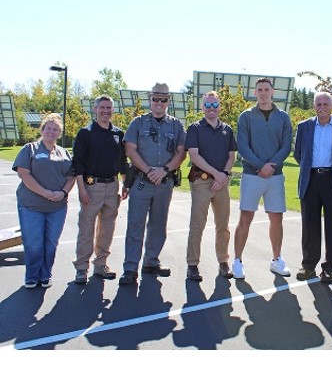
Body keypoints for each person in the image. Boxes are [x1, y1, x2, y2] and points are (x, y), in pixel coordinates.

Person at [120, 83, 187, 286]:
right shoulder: (137, 123)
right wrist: (149, 170)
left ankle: (151, 262)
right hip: (142, 181)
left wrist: (164, 170)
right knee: (135, 225)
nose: (159, 103)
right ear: (150, 100)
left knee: (158, 225)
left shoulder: (176, 125)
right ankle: (130, 268)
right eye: (155, 99)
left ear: (168, 101)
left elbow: (181, 152)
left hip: (164, 183)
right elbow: (130, 149)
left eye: (163, 100)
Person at [232, 77, 293, 280]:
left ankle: (277, 260)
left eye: (267, 89)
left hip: (275, 176)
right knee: (245, 218)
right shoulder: (246, 116)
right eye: (260, 89)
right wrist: (261, 166)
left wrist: (270, 166)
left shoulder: (283, 117)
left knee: (276, 218)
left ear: (272, 92)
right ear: (255, 92)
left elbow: (286, 146)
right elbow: (243, 146)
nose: (264, 92)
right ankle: (238, 261)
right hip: (252, 174)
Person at [293, 91, 332, 283]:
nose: (322, 107)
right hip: (310, 180)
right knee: (310, 226)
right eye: (318, 104)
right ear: (314, 106)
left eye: (325, 104)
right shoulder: (304, 127)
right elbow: (298, 154)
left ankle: (329, 268)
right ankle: (308, 266)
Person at [12, 113, 75, 289]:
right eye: (48, 128)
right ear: (42, 129)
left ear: (59, 133)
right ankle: (32, 276)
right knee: (33, 243)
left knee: (51, 243)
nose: (51, 132)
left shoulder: (64, 153)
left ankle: (46, 275)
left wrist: (63, 192)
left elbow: (71, 177)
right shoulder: (29, 149)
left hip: (57, 207)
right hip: (31, 205)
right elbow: (23, 174)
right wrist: (45, 193)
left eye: (55, 129)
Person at [72, 95, 127, 284]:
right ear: (95, 109)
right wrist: (82, 189)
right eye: (102, 107)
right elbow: (77, 163)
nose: (105, 111)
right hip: (91, 186)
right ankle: (81, 267)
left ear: (113, 110)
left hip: (112, 187)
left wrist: (125, 184)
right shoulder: (85, 133)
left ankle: (101, 264)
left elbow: (122, 162)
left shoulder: (118, 134)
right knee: (86, 228)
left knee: (107, 229)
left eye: (109, 108)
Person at [184, 91, 237, 282]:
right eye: (208, 105)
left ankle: (223, 262)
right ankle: (192, 265)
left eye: (215, 105)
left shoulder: (227, 129)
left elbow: (232, 156)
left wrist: (222, 176)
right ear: (202, 107)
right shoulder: (195, 128)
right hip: (202, 181)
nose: (211, 109)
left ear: (219, 107)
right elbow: (194, 156)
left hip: (221, 183)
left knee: (223, 225)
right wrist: (217, 174)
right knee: (197, 225)